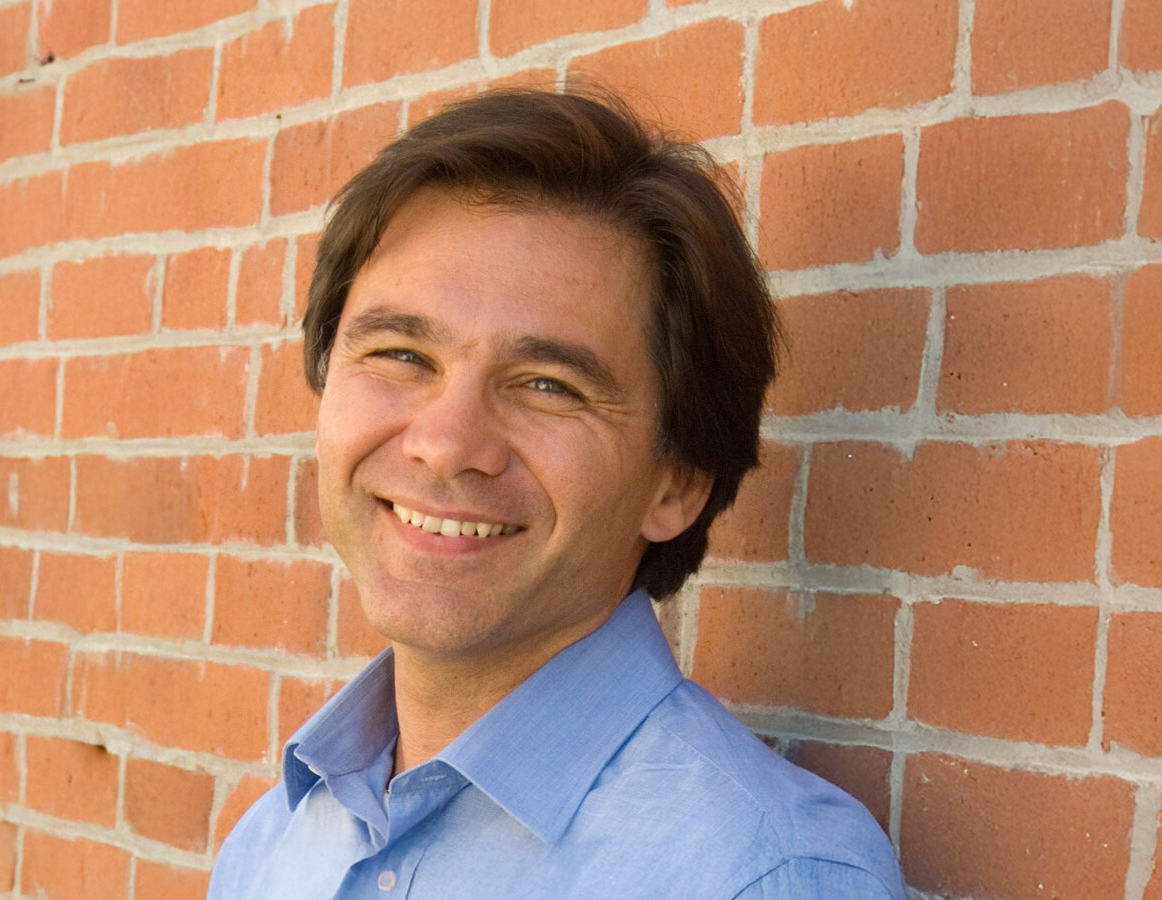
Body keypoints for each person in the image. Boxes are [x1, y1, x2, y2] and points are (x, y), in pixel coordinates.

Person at [207, 88, 906, 899]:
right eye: (401, 355)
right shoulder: (275, 843)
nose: (446, 443)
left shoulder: (763, 874)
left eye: (548, 384)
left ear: (676, 483)